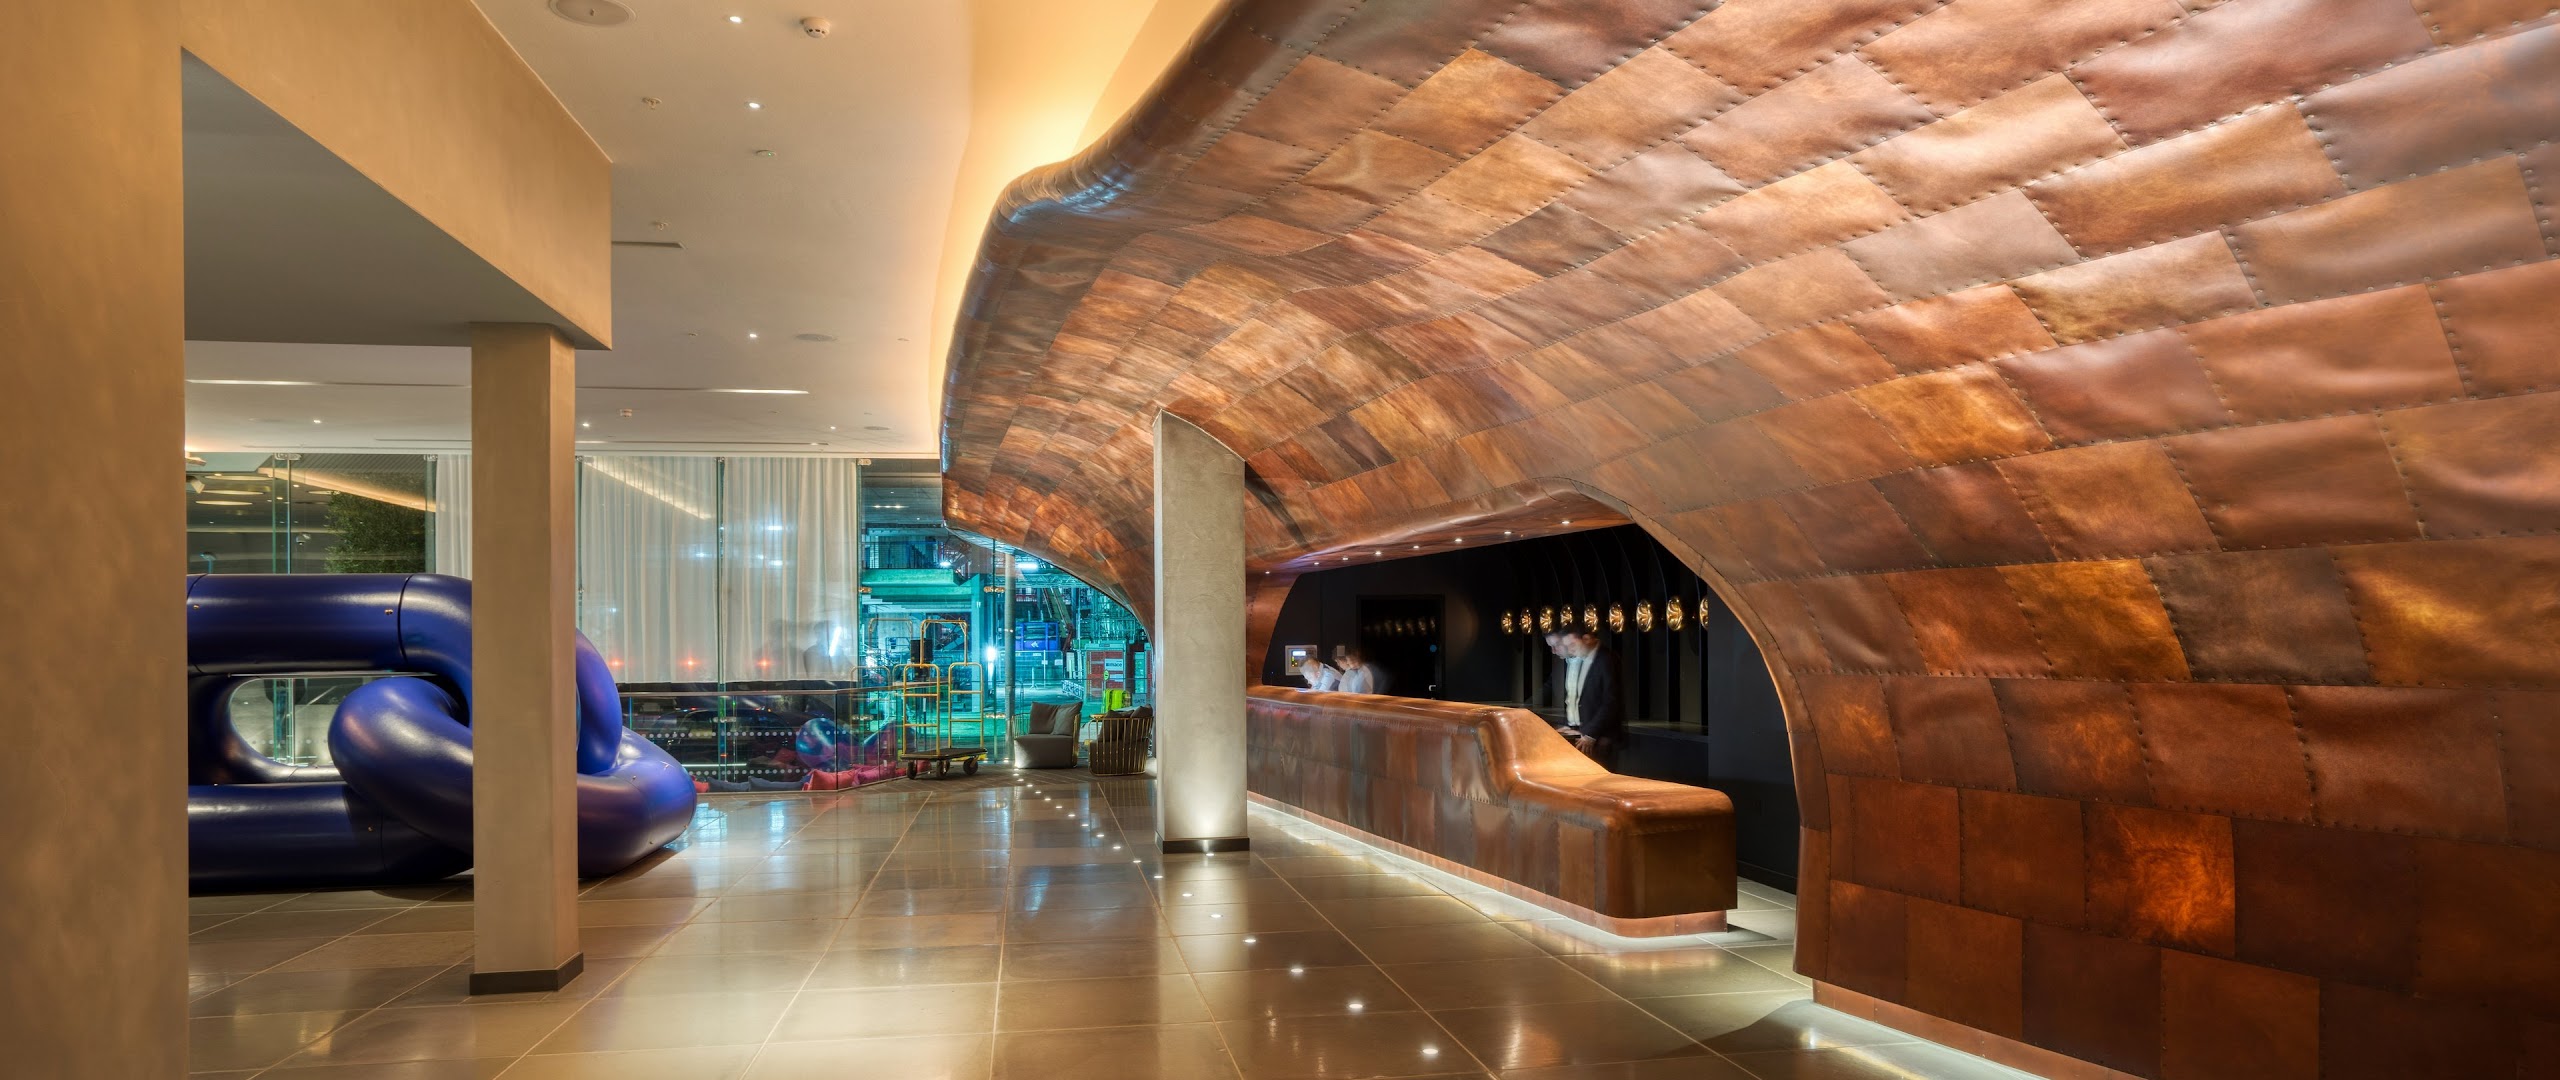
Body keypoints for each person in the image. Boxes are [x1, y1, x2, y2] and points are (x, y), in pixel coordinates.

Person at [1558, 630, 1623, 770]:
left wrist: (1590, 734)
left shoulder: (1606, 659)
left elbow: (1611, 701)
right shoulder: (1582, 659)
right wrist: (1571, 725)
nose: (1570, 650)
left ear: (1587, 639)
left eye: (1572, 645)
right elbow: (1577, 698)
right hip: (1585, 734)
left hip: (1602, 738)